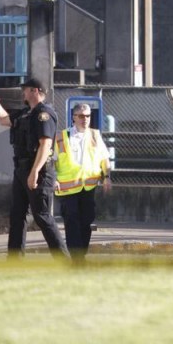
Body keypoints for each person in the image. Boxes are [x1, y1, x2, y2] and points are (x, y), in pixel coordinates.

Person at [0, 76, 69, 258]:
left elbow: (45, 145)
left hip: (39, 172)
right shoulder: (26, 113)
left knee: (42, 217)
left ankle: (64, 262)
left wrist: (35, 172)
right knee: (17, 216)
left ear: (35, 91)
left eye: (26, 89)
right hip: (21, 170)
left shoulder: (44, 114)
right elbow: (3, 119)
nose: (23, 92)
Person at [54, 103, 111, 260]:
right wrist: (53, 178)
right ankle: (76, 257)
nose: (85, 119)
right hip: (67, 189)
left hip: (88, 187)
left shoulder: (94, 135)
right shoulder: (61, 137)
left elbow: (104, 158)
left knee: (87, 221)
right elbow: (50, 160)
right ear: (74, 117)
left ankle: (81, 254)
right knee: (72, 221)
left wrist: (106, 177)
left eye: (87, 116)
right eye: (81, 116)